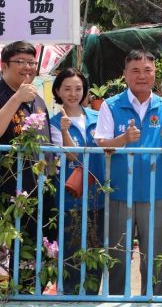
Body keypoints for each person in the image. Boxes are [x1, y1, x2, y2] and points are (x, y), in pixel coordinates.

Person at [95, 50, 162, 296]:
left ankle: (152, 299)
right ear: (125, 74)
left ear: (155, 73)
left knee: (154, 255)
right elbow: (101, 143)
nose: (142, 76)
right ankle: (116, 299)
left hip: (155, 192)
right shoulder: (111, 105)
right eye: (135, 71)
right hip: (119, 191)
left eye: (147, 70)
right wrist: (123, 138)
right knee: (117, 255)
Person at [0, 41, 53, 283]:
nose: (28, 67)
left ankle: (34, 294)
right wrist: (16, 98)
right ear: (4, 66)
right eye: (21, 62)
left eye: (32, 62)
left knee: (42, 252)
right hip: (12, 193)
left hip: (41, 189)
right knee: (22, 254)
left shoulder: (37, 100)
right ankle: (22, 295)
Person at [49, 68, 104, 295]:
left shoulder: (98, 117)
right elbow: (71, 156)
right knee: (71, 252)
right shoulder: (53, 123)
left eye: (78, 89)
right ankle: (69, 297)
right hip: (69, 197)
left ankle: (91, 297)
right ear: (57, 91)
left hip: (98, 195)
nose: (73, 94)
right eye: (67, 89)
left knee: (96, 251)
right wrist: (65, 131)